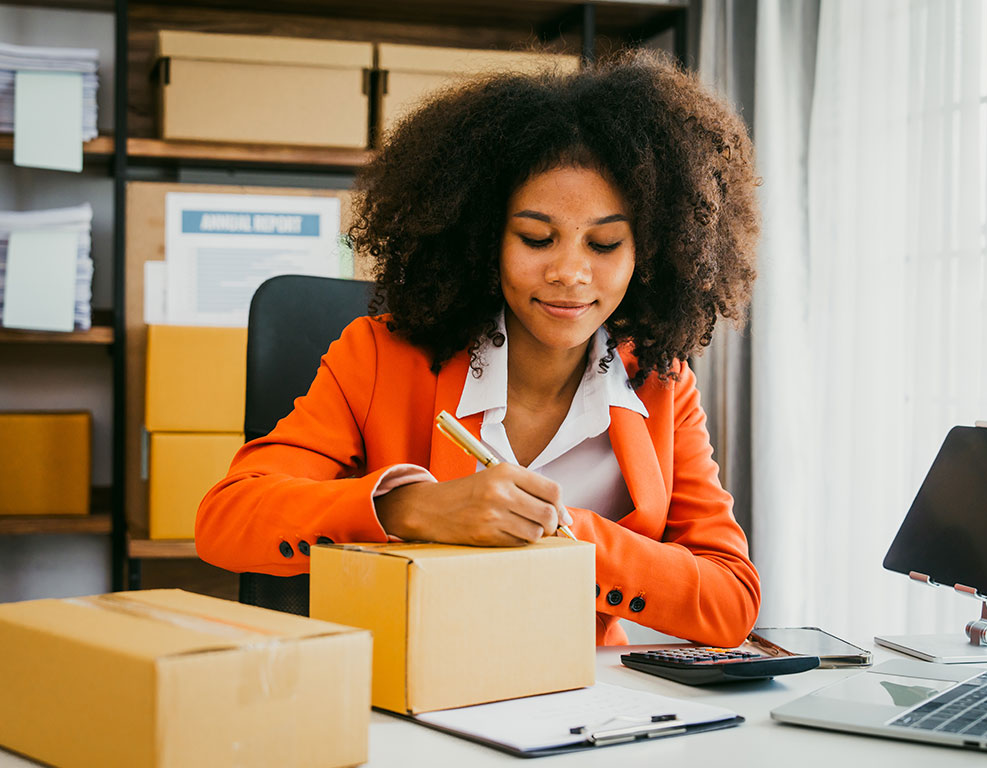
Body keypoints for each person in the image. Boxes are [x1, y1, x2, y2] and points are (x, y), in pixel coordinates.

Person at [195, 48, 761, 647]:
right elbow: (227, 519)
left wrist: (569, 536)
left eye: (605, 244)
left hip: (580, 702)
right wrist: (411, 509)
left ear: (648, 252)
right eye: (537, 238)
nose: (570, 272)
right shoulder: (377, 356)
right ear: (483, 235)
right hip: (413, 690)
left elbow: (731, 601)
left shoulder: (660, 384)